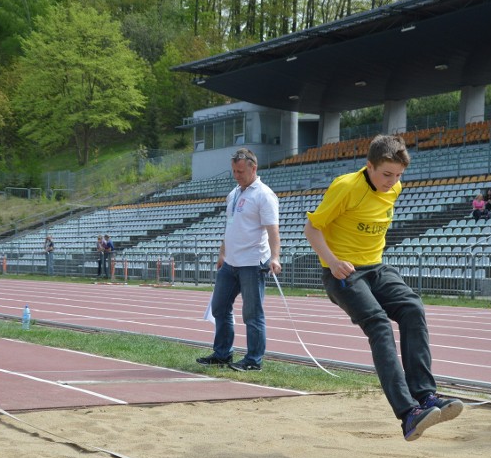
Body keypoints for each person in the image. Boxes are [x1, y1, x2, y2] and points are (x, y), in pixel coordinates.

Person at [303, 134, 463, 442]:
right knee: (379, 324)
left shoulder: (395, 188)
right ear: (370, 166)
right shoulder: (346, 187)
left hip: (376, 268)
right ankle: (408, 414)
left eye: (398, 175)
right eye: (386, 174)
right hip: (343, 272)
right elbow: (312, 228)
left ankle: (426, 397)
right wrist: (333, 262)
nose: (392, 181)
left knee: (413, 308)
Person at [196, 148, 281, 372]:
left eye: (240, 171)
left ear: (254, 168)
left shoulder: (264, 194)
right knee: (219, 307)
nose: (236, 175)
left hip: (253, 263)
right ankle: (222, 354)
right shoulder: (234, 194)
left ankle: (254, 360)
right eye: (234, 171)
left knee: (252, 314)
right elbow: (230, 226)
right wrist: (222, 253)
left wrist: (275, 257)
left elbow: (273, 230)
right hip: (231, 263)